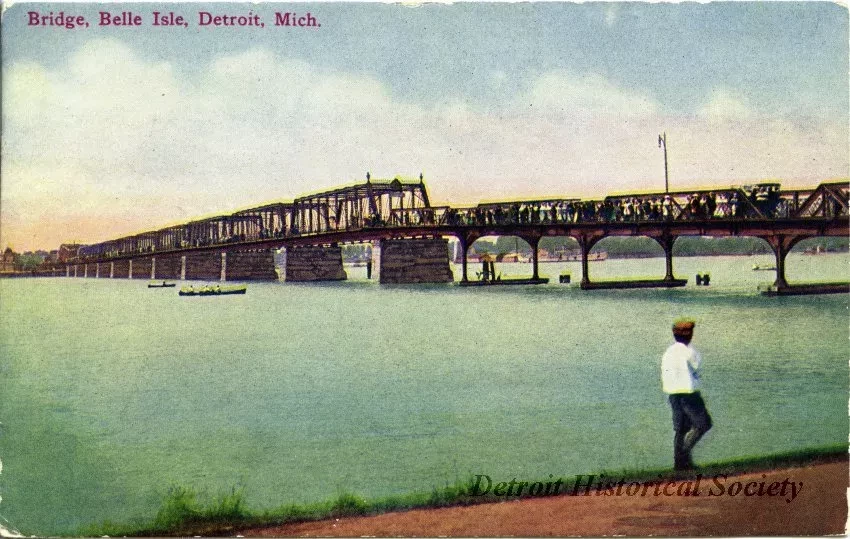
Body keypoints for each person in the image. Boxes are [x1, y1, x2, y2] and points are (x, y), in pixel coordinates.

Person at [661, 318, 712, 471]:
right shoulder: (690, 352)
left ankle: (679, 464)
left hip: (673, 393)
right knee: (703, 424)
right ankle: (684, 456)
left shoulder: (668, 352)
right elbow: (697, 369)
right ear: (689, 335)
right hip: (689, 393)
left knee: (680, 429)